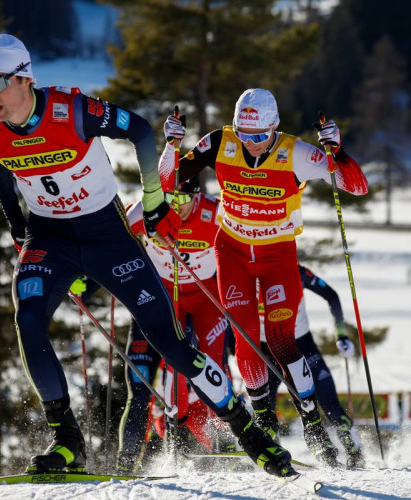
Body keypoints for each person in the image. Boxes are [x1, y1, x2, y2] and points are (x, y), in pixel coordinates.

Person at [0, 35, 291, 476]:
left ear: (25, 79)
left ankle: (247, 432)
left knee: (172, 345)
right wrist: (18, 227)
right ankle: (67, 441)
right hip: (49, 238)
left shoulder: (72, 110)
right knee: (27, 320)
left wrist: (154, 195)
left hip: (107, 234)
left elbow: (139, 130)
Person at [159, 88, 369, 467]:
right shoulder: (221, 142)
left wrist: (337, 152)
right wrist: (171, 144)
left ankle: (312, 421)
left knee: (281, 340)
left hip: (277, 255)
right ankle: (264, 420)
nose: (251, 144)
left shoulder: (298, 154)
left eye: (259, 137)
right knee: (244, 339)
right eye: (244, 134)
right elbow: (168, 179)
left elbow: (356, 186)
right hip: (232, 250)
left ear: (274, 128)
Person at [117, 176, 233, 472]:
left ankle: (227, 439)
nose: (176, 207)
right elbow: (111, 239)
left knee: (213, 365)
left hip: (207, 298)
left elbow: (243, 245)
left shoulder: (216, 213)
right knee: (154, 378)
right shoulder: (144, 210)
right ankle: (137, 457)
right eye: (169, 198)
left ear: (197, 195)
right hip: (164, 300)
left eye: (184, 199)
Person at [260, 264, 364, 468]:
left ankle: (354, 452)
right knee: (265, 406)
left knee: (329, 402)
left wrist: (341, 333)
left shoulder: (298, 272)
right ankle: (272, 453)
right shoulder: (251, 273)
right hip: (266, 351)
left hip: (303, 345)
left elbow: (331, 295)